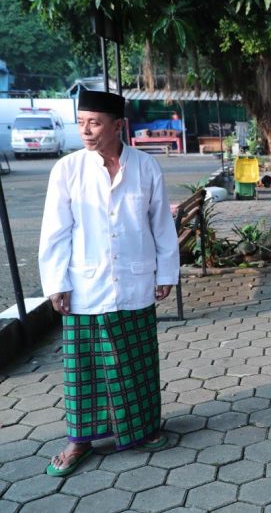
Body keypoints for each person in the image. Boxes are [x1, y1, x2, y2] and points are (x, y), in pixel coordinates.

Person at [38, 89, 179, 476]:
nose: (86, 130)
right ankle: (79, 439)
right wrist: (56, 282)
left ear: (118, 126)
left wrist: (166, 272)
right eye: (81, 122)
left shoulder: (146, 167)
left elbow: (160, 225)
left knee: (137, 362)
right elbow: (54, 232)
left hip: (135, 281)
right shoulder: (67, 170)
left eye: (95, 122)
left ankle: (142, 429)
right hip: (85, 284)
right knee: (84, 367)